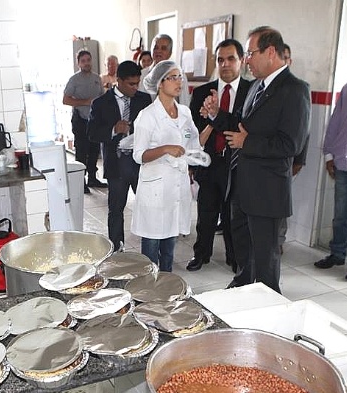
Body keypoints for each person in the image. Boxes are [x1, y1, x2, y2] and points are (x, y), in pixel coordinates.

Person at [216, 26, 310, 293]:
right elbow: (241, 126)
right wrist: (217, 116)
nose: (247, 60)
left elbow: (290, 143)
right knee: (245, 254)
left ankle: (268, 309)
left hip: (267, 193)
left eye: (250, 53)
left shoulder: (295, 90)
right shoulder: (257, 86)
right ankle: (244, 289)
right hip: (243, 188)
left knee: (266, 264)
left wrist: (248, 143)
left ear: (270, 52)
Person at [131, 61, 210, 271]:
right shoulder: (147, 116)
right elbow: (138, 155)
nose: (178, 82)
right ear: (159, 83)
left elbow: (195, 145)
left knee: (169, 248)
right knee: (151, 247)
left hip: (177, 187)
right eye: (172, 77)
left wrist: (213, 122)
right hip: (155, 189)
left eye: (180, 77)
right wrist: (165, 148)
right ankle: (147, 291)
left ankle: (166, 290)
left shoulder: (184, 112)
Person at [186, 39, 252, 272]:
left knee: (233, 214)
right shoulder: (203, 91)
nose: (225, 64)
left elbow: (245, 126)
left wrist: (218, 113)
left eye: (231, 58)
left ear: (242, 61)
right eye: (220, 59)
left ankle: (234, 257)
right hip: (209, 161)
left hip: (237, 163)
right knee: (206, 212)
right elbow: (193, 128)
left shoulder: (251, 91)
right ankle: (201, 254)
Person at [88, 61, 152, 251]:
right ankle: (116, 249)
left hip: (140, 162)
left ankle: (149, 248)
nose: (135, 88)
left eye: (137, 83)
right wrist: (114, 129)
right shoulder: (100, 103)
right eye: (131, 84)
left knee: (147, 207)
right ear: (119, 80)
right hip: (116, 163)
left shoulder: (144, 100)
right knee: (116, 209)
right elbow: (92, 134)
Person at [314, 79, 347, 281]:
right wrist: (329, 155)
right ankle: (337, 254)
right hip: (344, 161)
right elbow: (335, 122)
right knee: (340, 214)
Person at [278, 43, 309, 254]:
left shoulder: (298, 88)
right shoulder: (264, 87)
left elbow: (303, 130)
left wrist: (300, 159)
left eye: (287, 57)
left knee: (278, 206)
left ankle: (277, 242)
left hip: (286, 158)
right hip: (262, 163)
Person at [63, 50, 106, 194]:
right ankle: (80, 182)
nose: (86, 63)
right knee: (82, 151)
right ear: (79, 63)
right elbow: (66, 99)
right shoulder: (74, 79)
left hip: (95, 119)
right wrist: (85, 102)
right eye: (83, 61)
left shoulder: (96, 78)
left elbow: (101, 96)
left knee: (94, 150)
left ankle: (92, 178)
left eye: (88, 60)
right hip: (80, 119)